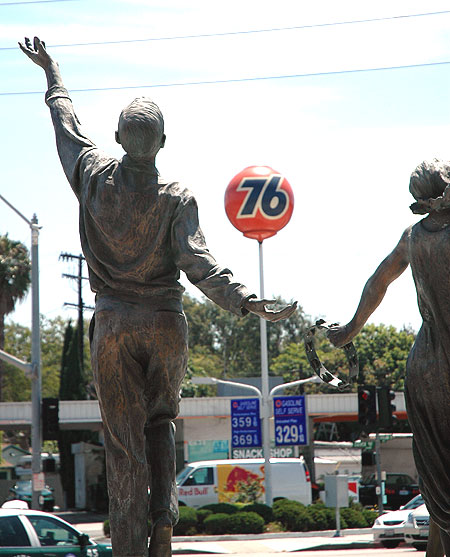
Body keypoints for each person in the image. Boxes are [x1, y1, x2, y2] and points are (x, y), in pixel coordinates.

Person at [19, 37, 297, 557]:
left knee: (123, 445)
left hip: (114, 324)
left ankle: (128, 545)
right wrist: (246, 300)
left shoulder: (93, 175)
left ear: (118, 135)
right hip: (165, 323)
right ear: (163, 141)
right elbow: (199, 264)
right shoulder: (177, 197)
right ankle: (162, 526)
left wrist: (52, 72)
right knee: (159, 425)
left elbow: (65, 125)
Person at [327, 158, 450, 555]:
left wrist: (349, 330)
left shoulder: (413, 237)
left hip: (426, 367)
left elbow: (378, 281)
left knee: (437, 481)